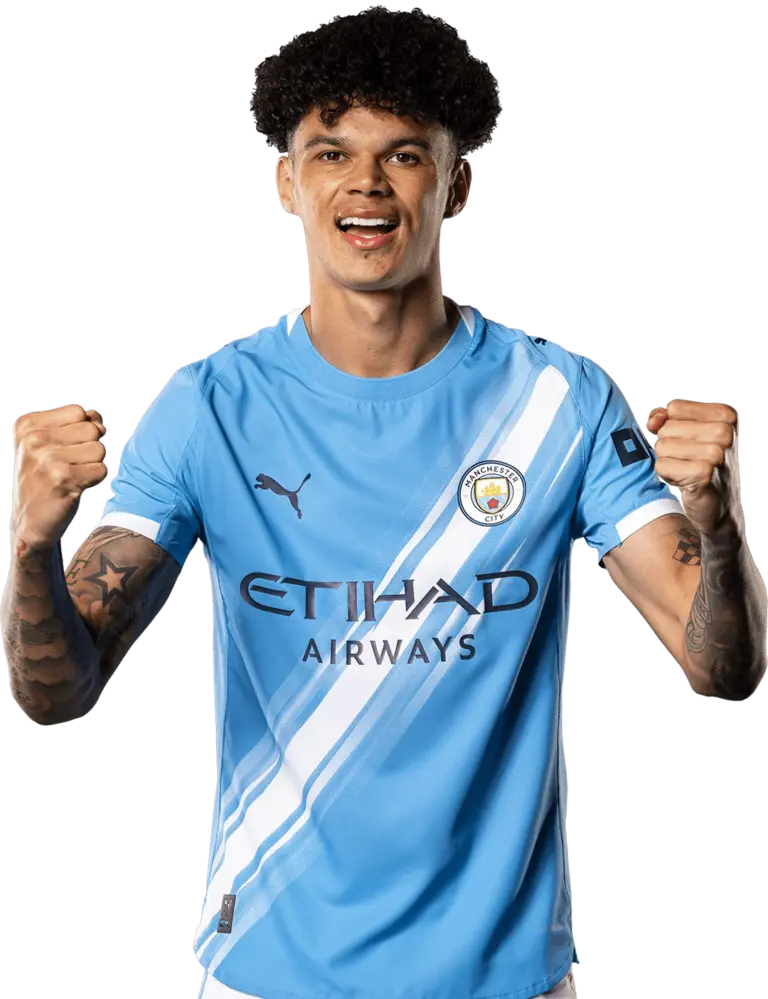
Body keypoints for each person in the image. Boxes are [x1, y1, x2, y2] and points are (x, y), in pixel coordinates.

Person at [3, 8, 765, 999]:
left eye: (404, 154)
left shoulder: (558, 400)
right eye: (331, 152)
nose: (366, 183)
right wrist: (31, 546)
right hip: (269, 971)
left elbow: (721, 674)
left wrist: (717, 526)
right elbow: (56, 696)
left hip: (502, 978)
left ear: (458, 185)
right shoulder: (207, 407)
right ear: (287, 183)